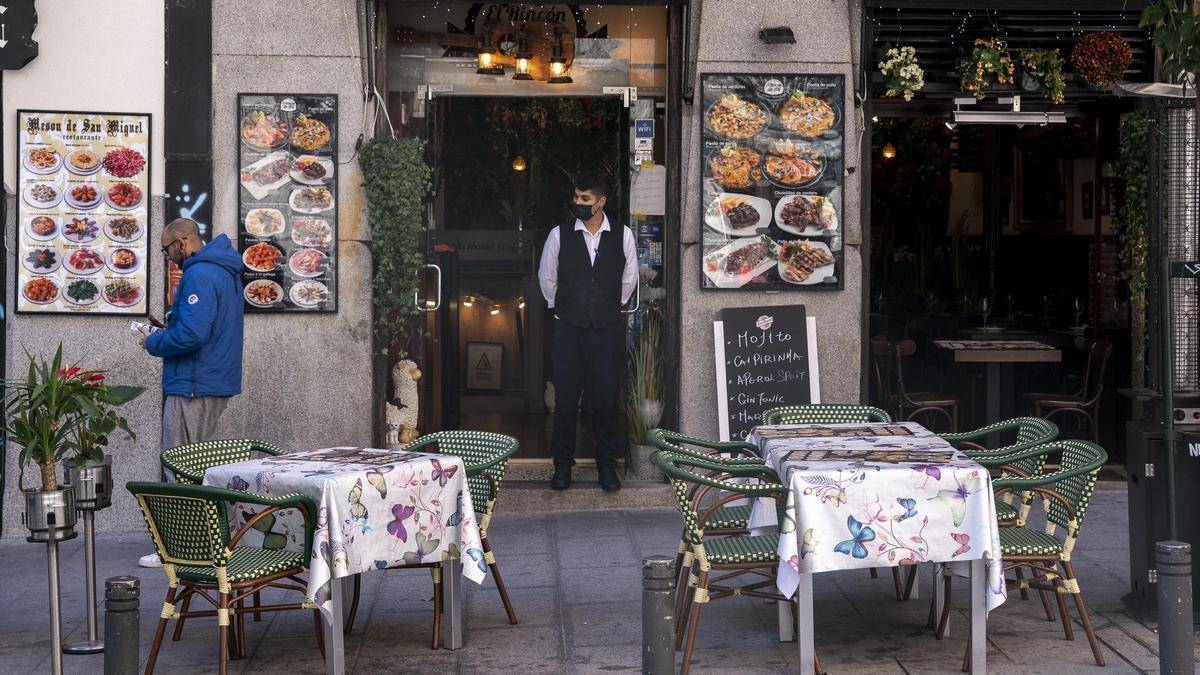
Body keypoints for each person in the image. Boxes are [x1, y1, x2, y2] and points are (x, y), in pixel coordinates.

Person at [135, 217, 245, 566]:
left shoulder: (200, 273)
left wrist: (154, 341)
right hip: (212, 379)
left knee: (180, 466)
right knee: (199, 466)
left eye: (167, 250)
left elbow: (192, 336)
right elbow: (200, 327)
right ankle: (214, 543)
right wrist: (171, 328)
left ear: (182, 241)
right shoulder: (224, 270)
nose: (168, 258)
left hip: (195, 385)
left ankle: (186, 551)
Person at [538, 173, 638, 492]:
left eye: (585, 199)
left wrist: (611, 305)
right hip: (568, 328)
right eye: (576, 198)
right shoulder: (559, 234)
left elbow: (629, 277)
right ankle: (562, 467)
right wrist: (563, 307)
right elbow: (547, 277)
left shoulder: (622, 235)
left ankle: (607, 468)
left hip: (606, 329)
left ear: (601, 202)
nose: (578, 203)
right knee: (566, 399)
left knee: (606, 399)